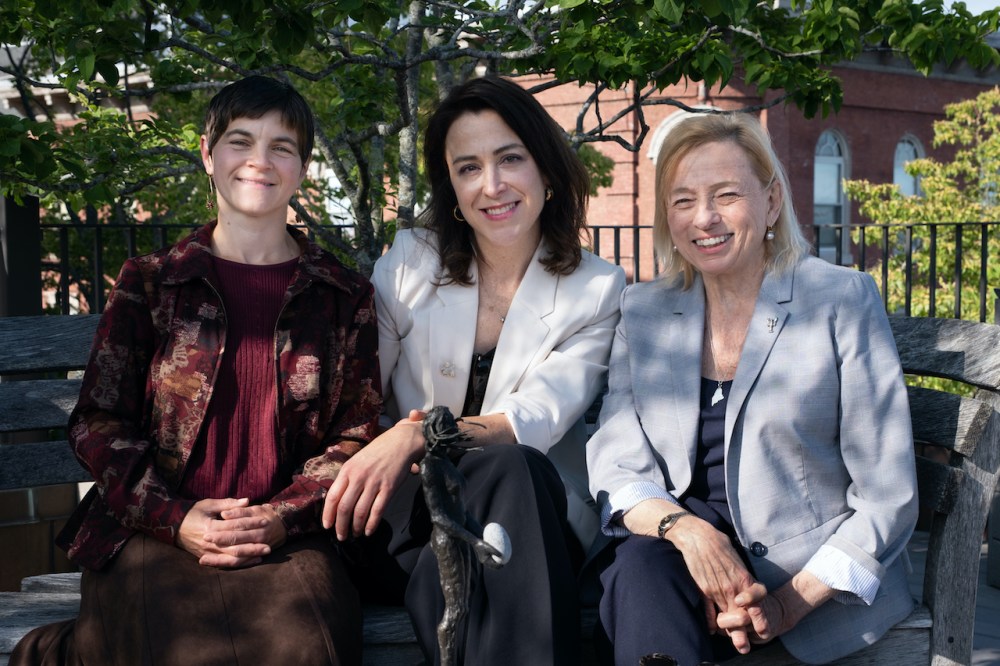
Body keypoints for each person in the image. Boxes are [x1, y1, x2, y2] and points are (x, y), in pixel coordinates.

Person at [11, 75, 381, 666]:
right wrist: (174, 516)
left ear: (302, 167)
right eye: (240, 140)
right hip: (152, 527)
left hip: (286, 535)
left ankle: (74, 651)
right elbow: (96, 421)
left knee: (308, 647)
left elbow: (354, 434)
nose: (259, 161)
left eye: (281, 146)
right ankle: (75, 647)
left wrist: (279, 519)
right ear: (208, 154)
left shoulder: (342, 296)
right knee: (176, 647)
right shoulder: (151, 283)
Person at [586, 112, 918, 666]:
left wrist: (787, 604)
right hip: (674, 565)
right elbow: (618, 462)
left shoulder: (839, 299)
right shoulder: (643, 311)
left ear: (771, 201)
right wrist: (687, 532)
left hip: (806, 586)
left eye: (726, 195)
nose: (705, 218)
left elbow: (887, 496)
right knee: (640, 567)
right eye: (684, 200)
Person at [323, 75, 626, 665]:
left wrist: (418, 431)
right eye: (467, 167)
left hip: (530, 518)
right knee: (473, 552)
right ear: (452, 188)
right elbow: (357, 400)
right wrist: (402, 447)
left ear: (546, 169)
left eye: (510, 158)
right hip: (402, 516)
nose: (491, 185)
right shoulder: (411, 261)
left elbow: (533, 417)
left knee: (509, 466)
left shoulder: (596, 289)